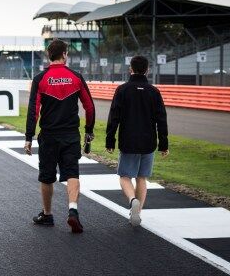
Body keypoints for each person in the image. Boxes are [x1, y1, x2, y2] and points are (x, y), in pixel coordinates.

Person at [24, 39, 95, 233]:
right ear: (64, 54)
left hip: (49, 135)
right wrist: (89, 130)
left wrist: (29, 136)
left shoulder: (40, 79)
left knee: (47, 176)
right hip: (71, 134)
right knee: (72, 173)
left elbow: (33, 110)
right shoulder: (76, 77)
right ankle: (73, 210)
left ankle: (47, 215)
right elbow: (89, 107)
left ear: (49, 56)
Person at [105, 56, 169, 227]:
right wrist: (164, 144)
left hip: (128, 141)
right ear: (147, 70)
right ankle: (137, 214)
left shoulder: (122, 90)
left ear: (130, 69)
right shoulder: (154, 92)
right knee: (142, 178)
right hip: (148, 142)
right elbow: (161, 119)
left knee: (125, 176)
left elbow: (114, 117)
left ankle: (132, 199)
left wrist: (110, 140)